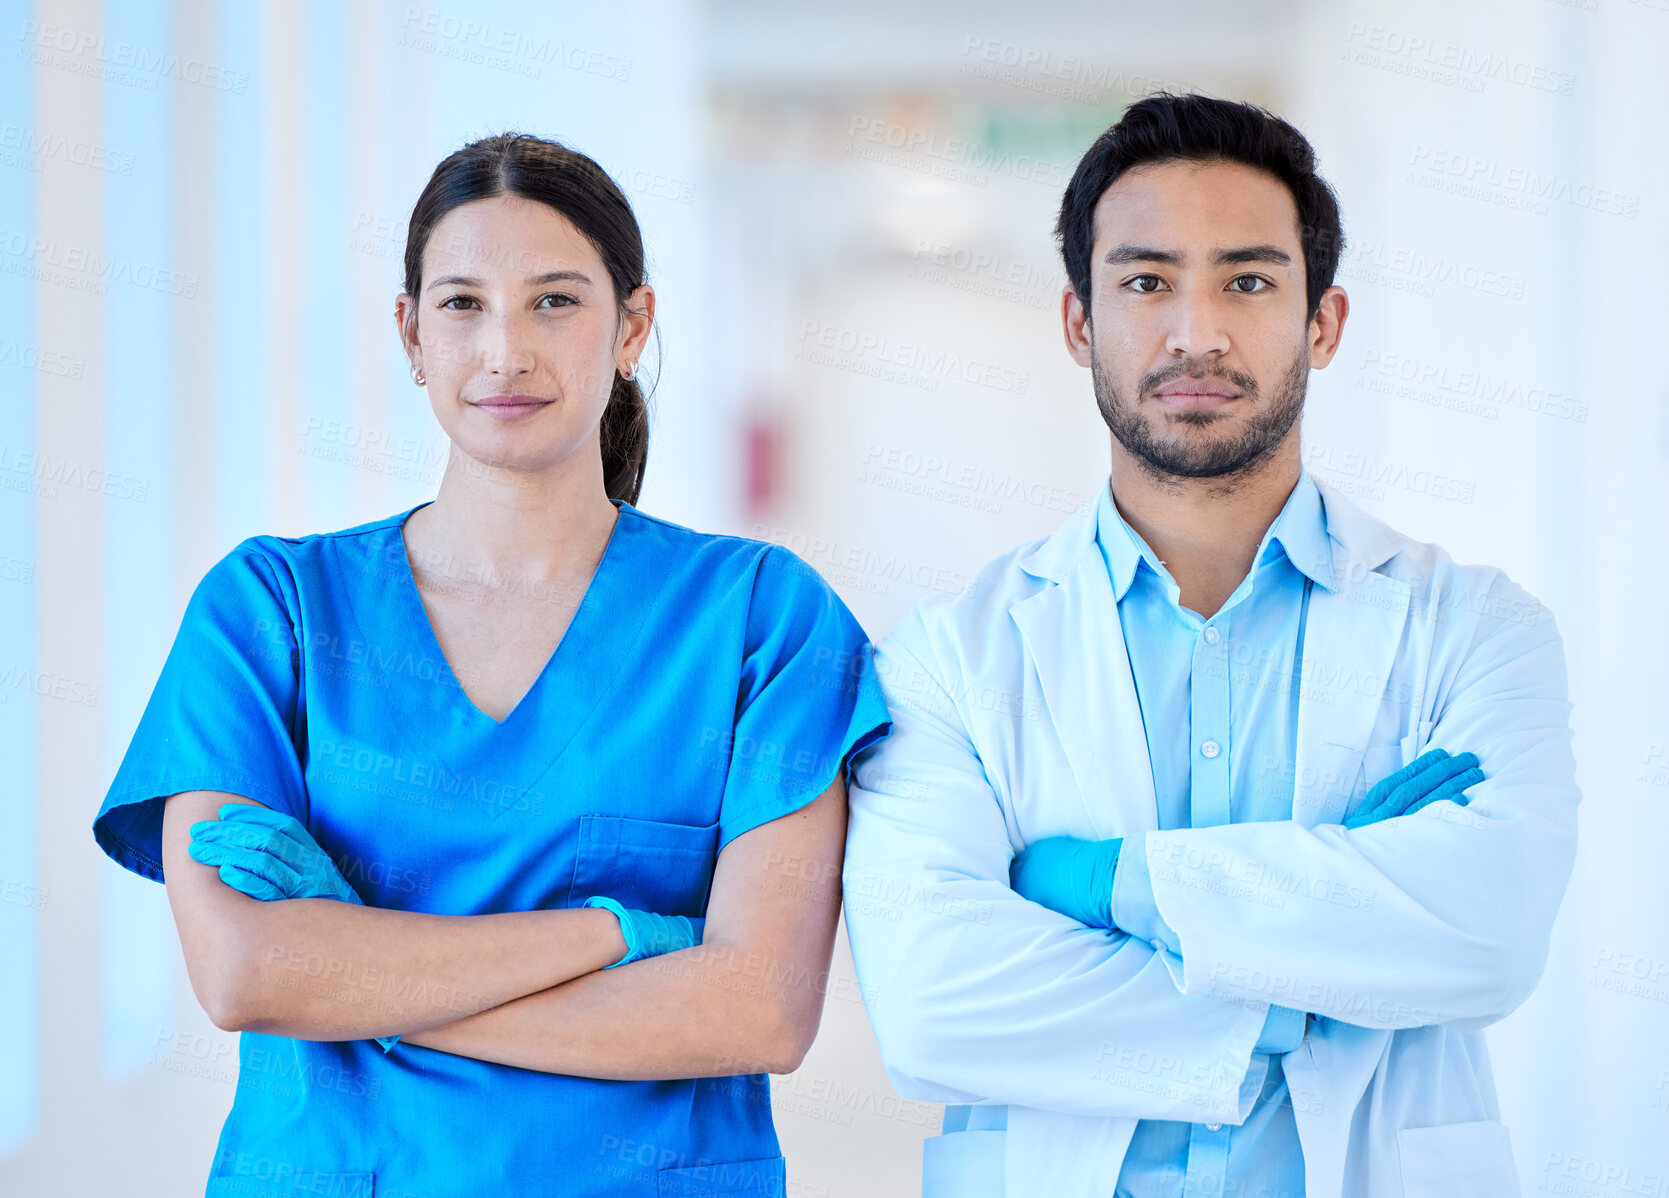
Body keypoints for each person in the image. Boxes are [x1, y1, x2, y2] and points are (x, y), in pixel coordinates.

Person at [92, 131, 890, 1197]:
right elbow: (244, 972)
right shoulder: (272, 610)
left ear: (631, 325)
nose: (505, 351)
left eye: (555, 300)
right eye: (463, 303)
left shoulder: (762, 618)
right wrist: (611, 934)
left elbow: (759, 1008)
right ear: (410, 332)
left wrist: (364, 965)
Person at [841, 92, 1579, 1198]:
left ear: (1321, 323)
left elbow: (1491, 930)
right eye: (1145, 282)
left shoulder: (1474, 627)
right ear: (1078, 323)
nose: (1196, 332)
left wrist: (1105, 885)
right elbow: (935, 1003)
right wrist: (1318, 962)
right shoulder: (948, 659)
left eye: (1247, 280)